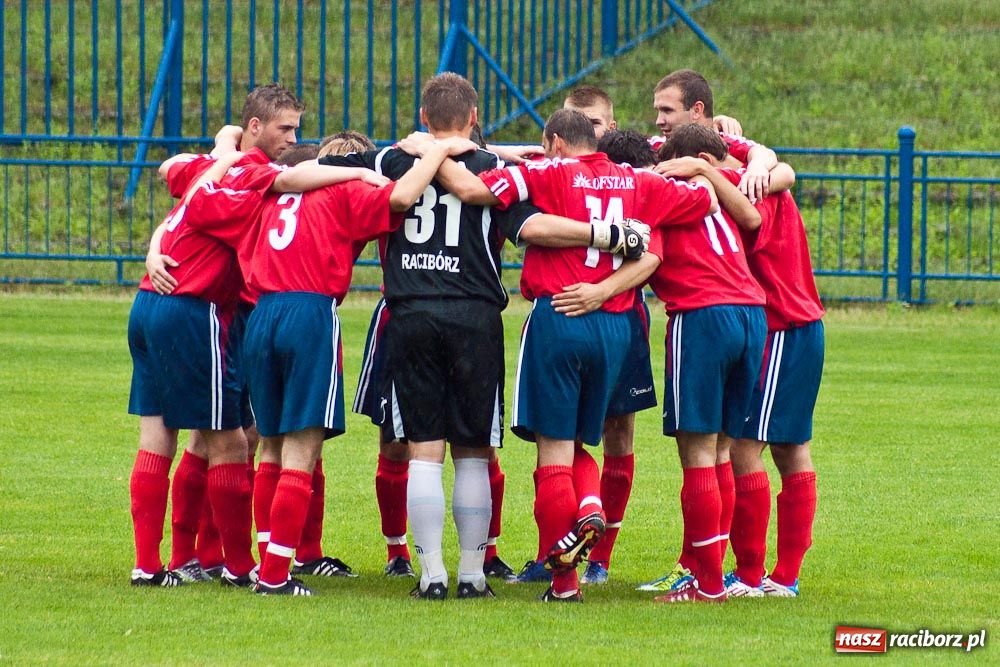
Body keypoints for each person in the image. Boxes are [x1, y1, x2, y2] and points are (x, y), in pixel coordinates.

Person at [431, 108, 717, 602]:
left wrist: (430, 152)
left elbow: (474, 190)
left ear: (557, 142)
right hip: (615, 323)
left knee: (554, 452)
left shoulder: (548, 172)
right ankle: (589, 505)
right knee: (589, 440)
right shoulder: (637, 181)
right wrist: (701, 169)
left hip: (560, 315)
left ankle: (564, 584)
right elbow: (703, 201)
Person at [658, 124, 823, 598]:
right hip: (787, 325)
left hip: (781, 327)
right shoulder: (754, 174)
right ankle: (771, 576)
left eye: (665, 111)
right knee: (783, 450)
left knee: (746, 450)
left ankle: (759, 575)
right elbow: (774, 168)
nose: (658, 121)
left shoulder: (751, 188)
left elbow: (750, 215)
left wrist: (703, 173)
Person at [630, 124, 767, 603]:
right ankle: (713, 570)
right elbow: (751, 219)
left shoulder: (659, 195)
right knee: (724, 450)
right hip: (753, 315)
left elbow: (648, 259)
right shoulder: (714, 191)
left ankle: (707, 584)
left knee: (697, 454)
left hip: (703, 316)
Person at [650, 69, 778, 204]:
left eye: (667, 110)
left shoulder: (722, 141)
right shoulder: (656, 146)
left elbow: (764, 154)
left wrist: (757, 167)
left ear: (697, 110)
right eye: (658, 111)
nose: (659, 121)